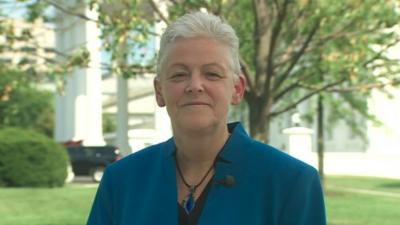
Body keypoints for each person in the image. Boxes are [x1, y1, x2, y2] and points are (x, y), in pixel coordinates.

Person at [86, 11, 326, 225]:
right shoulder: (120, 181)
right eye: (179, 74)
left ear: (237, 89)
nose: (195, 85)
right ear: (159, 91)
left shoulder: (292, 183)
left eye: (212, 74)